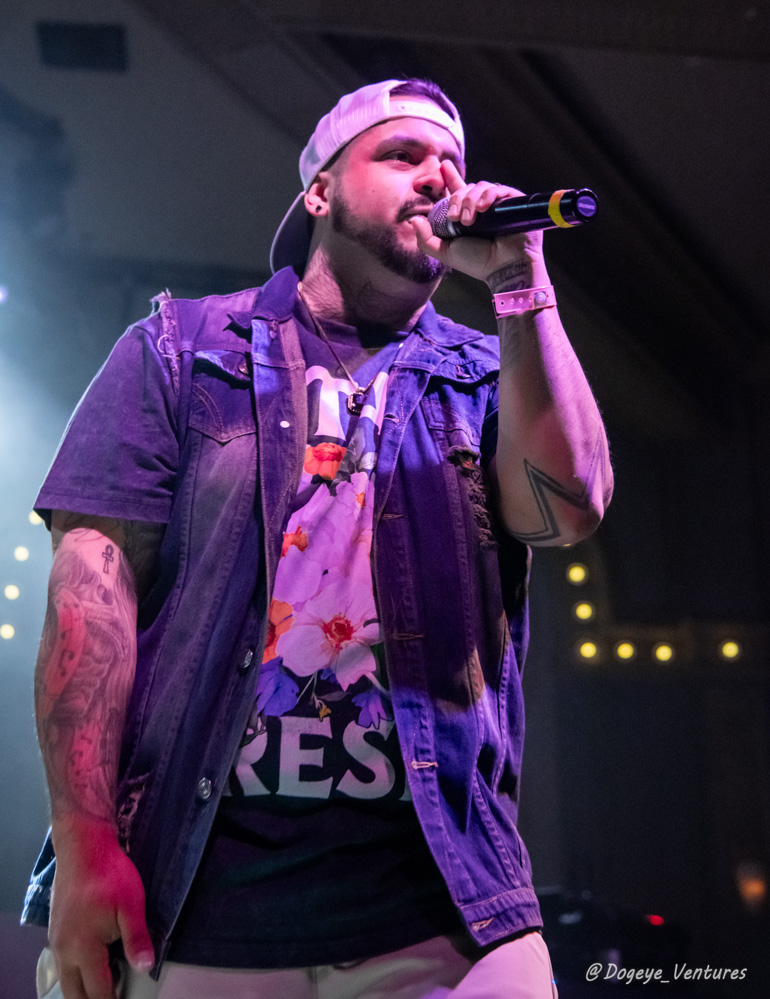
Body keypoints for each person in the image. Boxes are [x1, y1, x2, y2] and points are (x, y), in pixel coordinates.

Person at [24, 78, 612, 999]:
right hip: (196, 912)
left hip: (447, 917)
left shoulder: (483, 376)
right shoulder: (184, 350)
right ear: (320, 192)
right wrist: (86, 839)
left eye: (452, 162)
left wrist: (518, 280)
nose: (439, 178)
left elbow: (569, 510)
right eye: (403, 155)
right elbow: (90, 590)